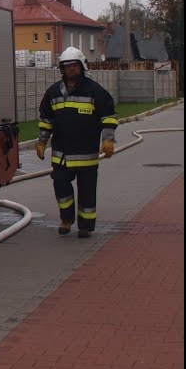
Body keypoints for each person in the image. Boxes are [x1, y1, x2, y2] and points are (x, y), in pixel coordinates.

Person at [35, 46, 117, 238]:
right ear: (61, 69)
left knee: (87, 193)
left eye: (74, 65)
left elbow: (108, 117)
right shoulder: (53, 92)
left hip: (86, 154)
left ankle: (85, 226)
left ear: (81, 66)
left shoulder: (95, 91)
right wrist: (41, 142)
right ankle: (66, 219)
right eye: (66, 66)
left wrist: (108, 140)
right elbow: (46, 120)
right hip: (61, 154)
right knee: (61, 187)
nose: (71, 69)